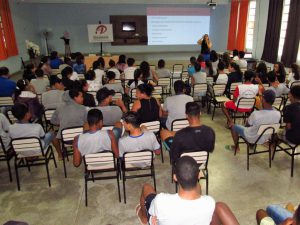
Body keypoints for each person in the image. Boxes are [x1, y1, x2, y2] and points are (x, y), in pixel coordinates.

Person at [136, 156, 215, 225]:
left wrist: (152, 220)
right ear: (199, 176)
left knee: (146, 187)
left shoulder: (161, 201)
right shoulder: (210, 202)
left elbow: (152, 214)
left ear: (175, 177)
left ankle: (144, 218)